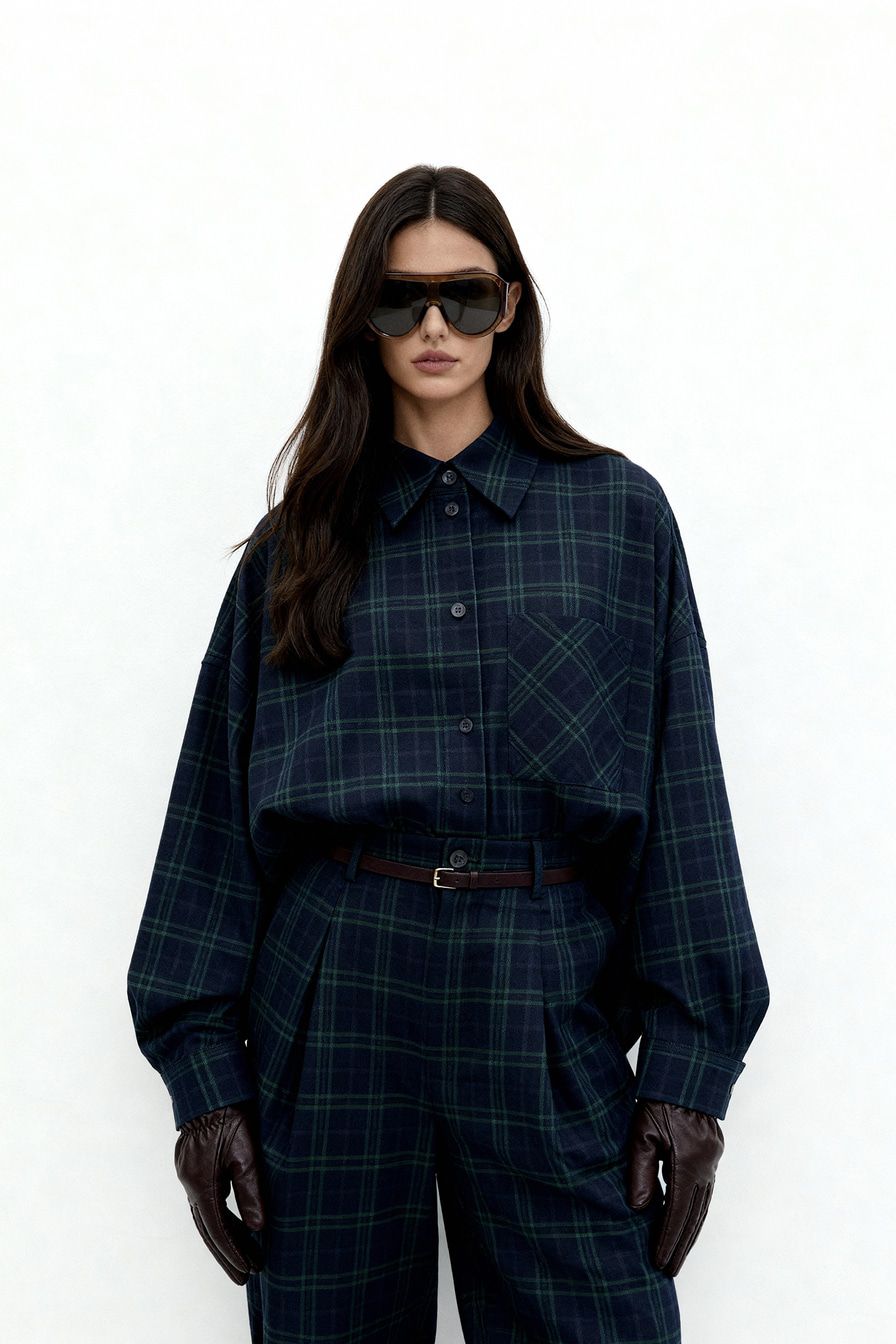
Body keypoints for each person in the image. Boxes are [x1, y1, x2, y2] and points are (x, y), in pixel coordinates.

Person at [126, 163, 771, 1344]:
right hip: (339, 984)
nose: (434, 327)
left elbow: (679, 792)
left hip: (540, 981)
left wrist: (689, 1071)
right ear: (362, 319)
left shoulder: (615, 519)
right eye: (400, 298)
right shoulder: (295, 545)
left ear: (508, 308)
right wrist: (203, 1085)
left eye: (464, 296)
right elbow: (213, 819)